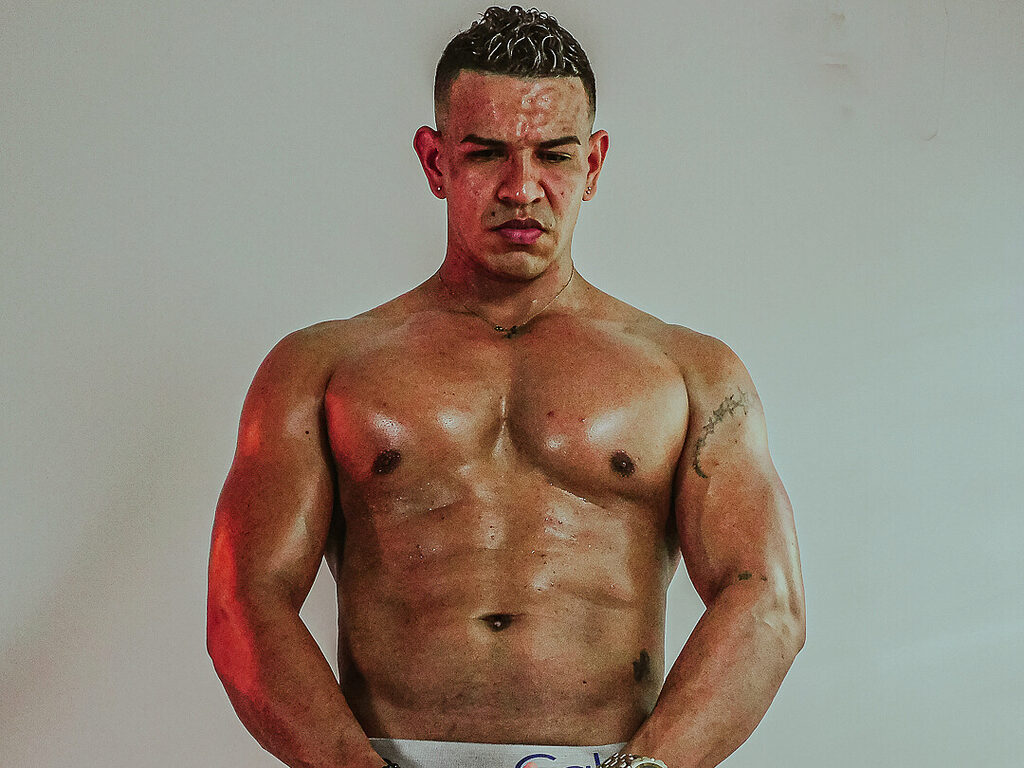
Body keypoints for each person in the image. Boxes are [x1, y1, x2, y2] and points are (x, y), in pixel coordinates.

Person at [206, 6, 805, 768]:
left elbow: (765, 597)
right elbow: (243, 600)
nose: (522, 188)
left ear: (593, 164)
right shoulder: (322, 367)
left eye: (554, 155)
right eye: (487, 153)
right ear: (435, 162)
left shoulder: (690, 374)